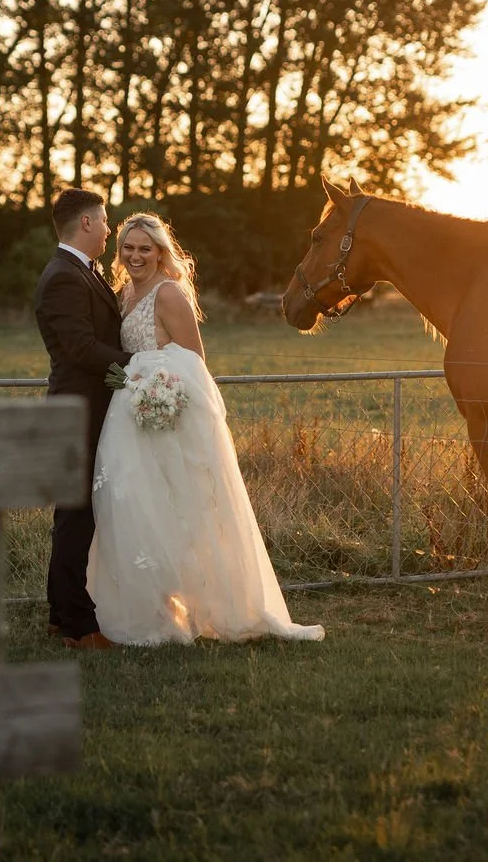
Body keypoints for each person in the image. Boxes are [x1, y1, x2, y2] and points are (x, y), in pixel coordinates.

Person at [88, 212, 323, 645]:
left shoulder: (169, 294)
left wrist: (157, 390)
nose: (136, 255)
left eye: (145, 248)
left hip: (168, 417)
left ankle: (206, 607)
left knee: (183, 513)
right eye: (128, 247)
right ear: (118, 251)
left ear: (161, 252)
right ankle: (157, 609)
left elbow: (194, 362)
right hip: (130, 418)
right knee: (140, 510)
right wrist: (134, 383)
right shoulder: (123, 294)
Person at [33, 187, 133, 650]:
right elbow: (80, 349)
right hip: (77, 413)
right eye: (106, 220)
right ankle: (77, 624)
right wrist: (142, 365)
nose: (110, 229)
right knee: (75, 520)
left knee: (77, 518)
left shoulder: (82, 270)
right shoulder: (63, 276)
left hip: (91, 410)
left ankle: (60, 616)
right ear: (87, 223)